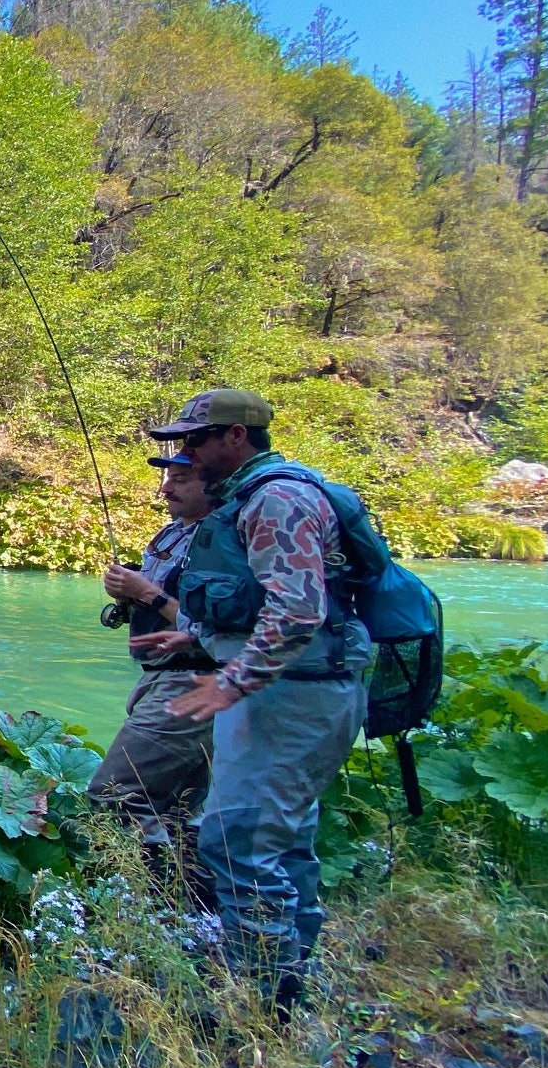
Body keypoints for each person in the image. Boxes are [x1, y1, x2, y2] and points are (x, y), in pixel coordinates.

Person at [128, 389, 369, 1013]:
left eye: (196, 439)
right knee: (283, 839)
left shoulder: (277, 499)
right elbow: (264, 605)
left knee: (239, 840)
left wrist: (229, 682)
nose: (186, 452)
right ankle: (291, 976)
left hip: (293, 695)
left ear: (237, 437)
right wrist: (198, 634)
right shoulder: (253, 497)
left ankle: (256, 999)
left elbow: (296, 612)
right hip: (295, 687)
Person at [88, 452, 216, 885]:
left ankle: (139, 896)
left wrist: (148, 594)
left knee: (114, 794)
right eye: (168, 480)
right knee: (179, 810)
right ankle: (189, 909)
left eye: (181, 479)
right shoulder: (172, 535)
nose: (166, 489)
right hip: (160, 679)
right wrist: (129, 595)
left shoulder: (225, 543)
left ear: (211, 481)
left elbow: (217, 630)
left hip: (193, 681)